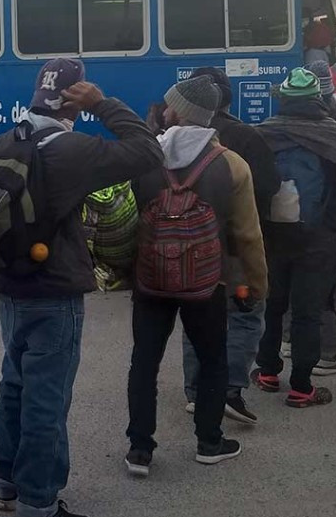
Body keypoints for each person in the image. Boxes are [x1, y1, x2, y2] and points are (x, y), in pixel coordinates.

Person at [0, 58, 162, 517]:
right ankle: (39, 500)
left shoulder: (3, 140)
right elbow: (147, 152)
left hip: (9, 285)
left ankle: (5, 482)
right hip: (54, 291)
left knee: (15, 384)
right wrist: (104, 104)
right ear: (75, 101)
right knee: (47, 396)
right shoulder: (72, 149)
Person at [126, 76, 267, 476]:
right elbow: (247, 234)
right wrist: (256, 284)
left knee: (144, 361)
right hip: (206, 282)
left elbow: (124, 219)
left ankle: (140, 448)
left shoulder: (146, 156)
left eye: (170, 104)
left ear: (178, 111)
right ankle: (209, 441)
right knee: (211, 358)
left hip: (151, 280)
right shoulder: (231, 163)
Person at [252, 69, 336, 408]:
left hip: (273, 236)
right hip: (320, 237)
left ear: (284, 100)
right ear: (319, 99)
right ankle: (302, 387)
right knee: (308, 311)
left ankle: (267, 372)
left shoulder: (263, 135)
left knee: (273, 307)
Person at [178, 68, 279, 425]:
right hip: (233, 252)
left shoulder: (169, 144)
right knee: (246, 314)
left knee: (196, 319)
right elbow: (268, 188)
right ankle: (230, 391)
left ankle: (194, 391)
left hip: (187, 253)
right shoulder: (243, 139)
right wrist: (260, 276)